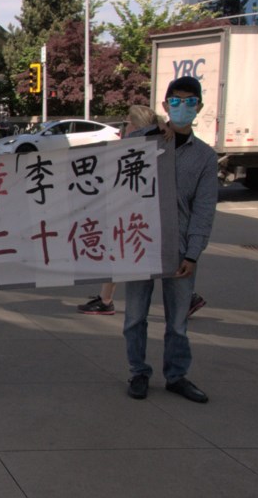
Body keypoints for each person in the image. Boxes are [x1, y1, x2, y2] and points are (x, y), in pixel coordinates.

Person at [123, 76, 217, 403]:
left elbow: (203, 209)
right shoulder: (144, 142)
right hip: (139, 245)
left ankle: (176, 375)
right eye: (175, 102)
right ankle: (138, 372)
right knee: (135, 317)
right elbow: (114, 163)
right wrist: (153, 130)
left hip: (179, 251)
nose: (182, 108)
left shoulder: (205, 157)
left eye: (190, 102)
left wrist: (193, 254)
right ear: (165, 106)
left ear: (199, 108)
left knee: (178, 321)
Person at [78, 104, 206, 319]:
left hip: (140, 214)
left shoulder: (145, 147)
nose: (124, 127)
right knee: (123, 254)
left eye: (128, 122)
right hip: (137, 213)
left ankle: (107, 301)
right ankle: (106, 299)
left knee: (123, 253)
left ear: (137, 125)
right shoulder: (145, 145)